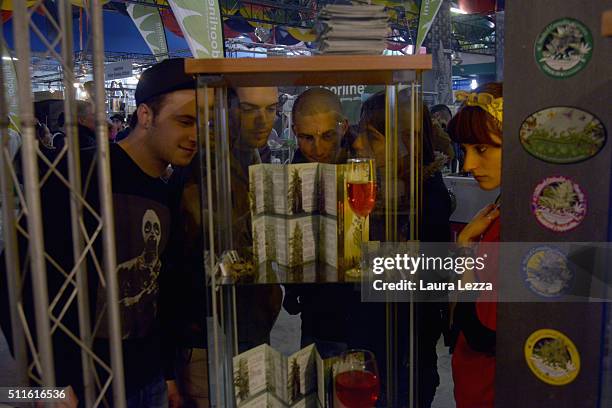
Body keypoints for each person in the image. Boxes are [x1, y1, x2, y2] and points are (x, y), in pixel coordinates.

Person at [0, 58, 197, 407]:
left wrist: (165, 373)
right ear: (146, 116)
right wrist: (48, 379)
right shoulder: (79, 175)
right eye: (185, 121)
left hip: (147, 380)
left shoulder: (165, 190)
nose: (196, 136)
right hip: (83, 387)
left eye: (203, 124)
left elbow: (160, 291)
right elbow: (15, 279)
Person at [351, 90, 451, 407]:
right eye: (359, 133)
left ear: (404, 141)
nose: (356, 144)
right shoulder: (390, 186)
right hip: (383, 344)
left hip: (403, 350)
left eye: (372, 137)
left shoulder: (424, 197)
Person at [447, 82, 503, 408]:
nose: (468, 164)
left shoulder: (523, 224)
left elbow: (482, 332)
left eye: (481, 149)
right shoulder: (500, 208)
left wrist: (466, 244)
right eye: (465, 150)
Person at [291, 88, 351, 164]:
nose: (318, 152)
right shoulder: (298, 163)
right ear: (295, 132)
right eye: (308, 138)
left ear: (344, 128)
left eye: (328, 136)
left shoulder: (362, 156)